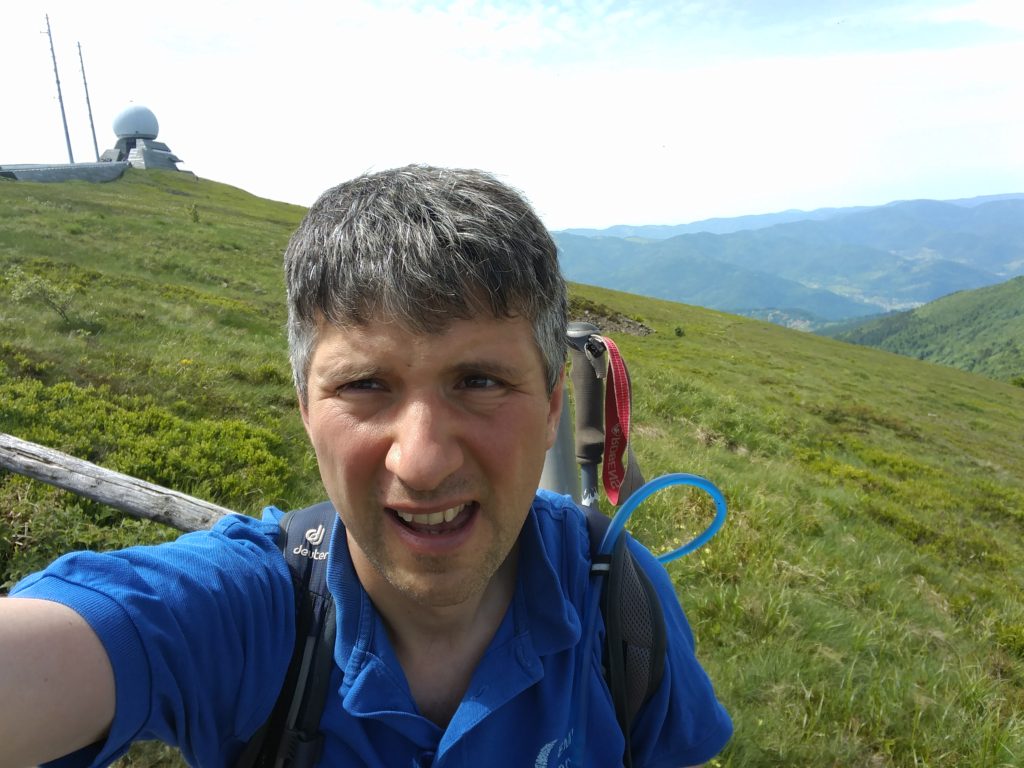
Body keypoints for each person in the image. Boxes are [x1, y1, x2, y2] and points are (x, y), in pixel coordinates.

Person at [0, 165, 732, 767]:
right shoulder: (245, 616)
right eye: (363, 386)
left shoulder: (622, 605)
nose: (422, 462)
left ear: (549, 410)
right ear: (305, 411)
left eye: (478, 381)